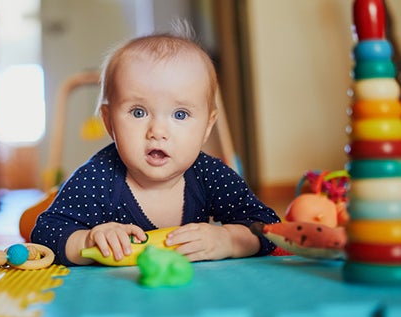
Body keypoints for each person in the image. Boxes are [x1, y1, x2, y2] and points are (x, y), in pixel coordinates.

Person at [31, 28, 280, 266]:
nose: (158, 132)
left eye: (180, 115)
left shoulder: (209, 175)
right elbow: (46, 232)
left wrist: (229, 240)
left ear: (207, 126)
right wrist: (88, 240)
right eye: (138, 112)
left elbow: (268, 227)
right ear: (109, 121)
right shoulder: (97, 178)